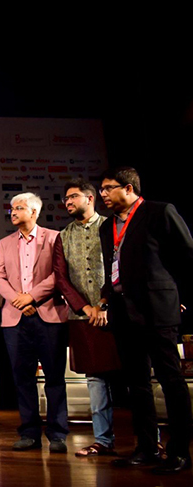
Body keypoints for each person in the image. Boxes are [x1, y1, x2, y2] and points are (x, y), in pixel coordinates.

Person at [99, 167, 192, 475]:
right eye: (101, 190)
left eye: (108, 189)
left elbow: (186, 255)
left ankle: (179, 452)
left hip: (157, 307)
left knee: (170, 380)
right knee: (136, 383)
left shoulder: (159, 212)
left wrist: (176, 294)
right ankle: (146, 448)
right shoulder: (107, 227)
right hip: (123, 311)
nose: (103, 195)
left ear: (128, 188)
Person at [52, 179, 121, 458]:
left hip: (116, 311)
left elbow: (119, 266)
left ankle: (150, 440)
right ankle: (103, 440)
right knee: (94, 380)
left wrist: (103, 303)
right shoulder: (64, 235)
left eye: (73, 197)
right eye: (65, 199)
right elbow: (61, 278)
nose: (68, 202)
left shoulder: (112, 226)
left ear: (90, 198)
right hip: (83, 318)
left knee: (133, 376)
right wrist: (85, 308)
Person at [0, 192, 69, 453]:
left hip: (48, 314)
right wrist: (18, 300)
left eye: (20, 208)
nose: (13, 212)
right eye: (12, 208)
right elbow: (0, 278)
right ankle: (29, 433)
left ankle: (58, 434)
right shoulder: (5, 242)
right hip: (15, 319)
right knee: (22, 378)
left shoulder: (53, 237)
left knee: (54, 377)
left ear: (34, 212)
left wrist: (32, 297)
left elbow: (58, 274)